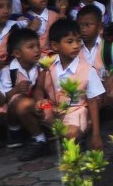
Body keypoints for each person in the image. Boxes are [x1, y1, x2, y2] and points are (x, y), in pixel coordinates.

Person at [42, 17, 104, 149]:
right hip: (54, 110)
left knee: (71, 132)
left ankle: (78, 135)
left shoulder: (87, 70)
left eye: (78, 40)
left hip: (76, 110)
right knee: (33, 109)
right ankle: (39, 140)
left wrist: (96, 135)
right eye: (70, 42)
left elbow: (93, 102)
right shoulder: (49, 66)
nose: (76, 45)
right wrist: (39, 102)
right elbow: (39, 90)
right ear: (55, 46)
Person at [0, 26, 49, 160]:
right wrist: (16, 90)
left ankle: (49, 134)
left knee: (47, 106)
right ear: (17, 53)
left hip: (35, 104)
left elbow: (41, 89)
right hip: (14, 111)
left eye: (38, 46)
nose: (37, 50)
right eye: (31, 47)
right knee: (23, 104)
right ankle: (38, 139)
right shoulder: (8, 71)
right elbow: (3, 98)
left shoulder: (41, 66)